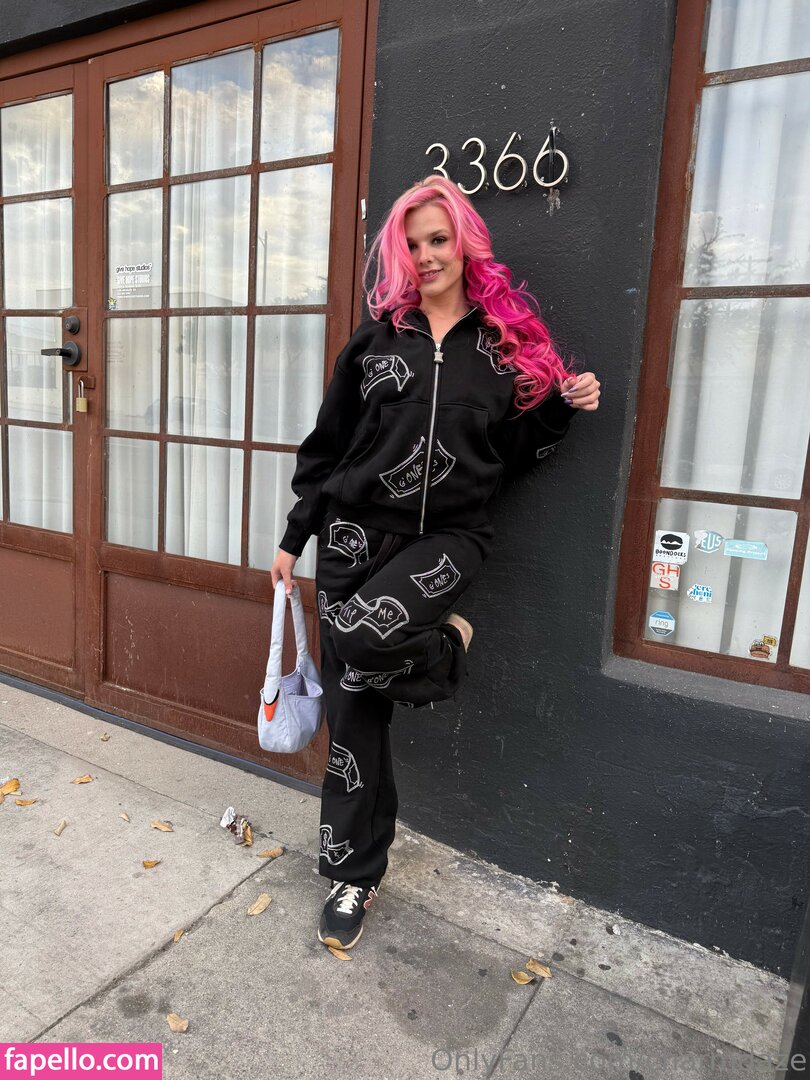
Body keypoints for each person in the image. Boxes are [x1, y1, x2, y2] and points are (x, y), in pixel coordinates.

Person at [270, 175, 600, 951]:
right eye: (412, 243)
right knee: (354, 715)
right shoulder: (375, 344)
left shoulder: (501, 347)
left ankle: (445, 645)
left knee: (359, 641)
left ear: (465, 242)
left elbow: (509, 454)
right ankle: (356, 875)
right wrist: (295, 536)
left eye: (438, 239)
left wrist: (559, 408)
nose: (426, 256)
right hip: (353, 538)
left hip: (447, 538)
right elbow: (327, 448)